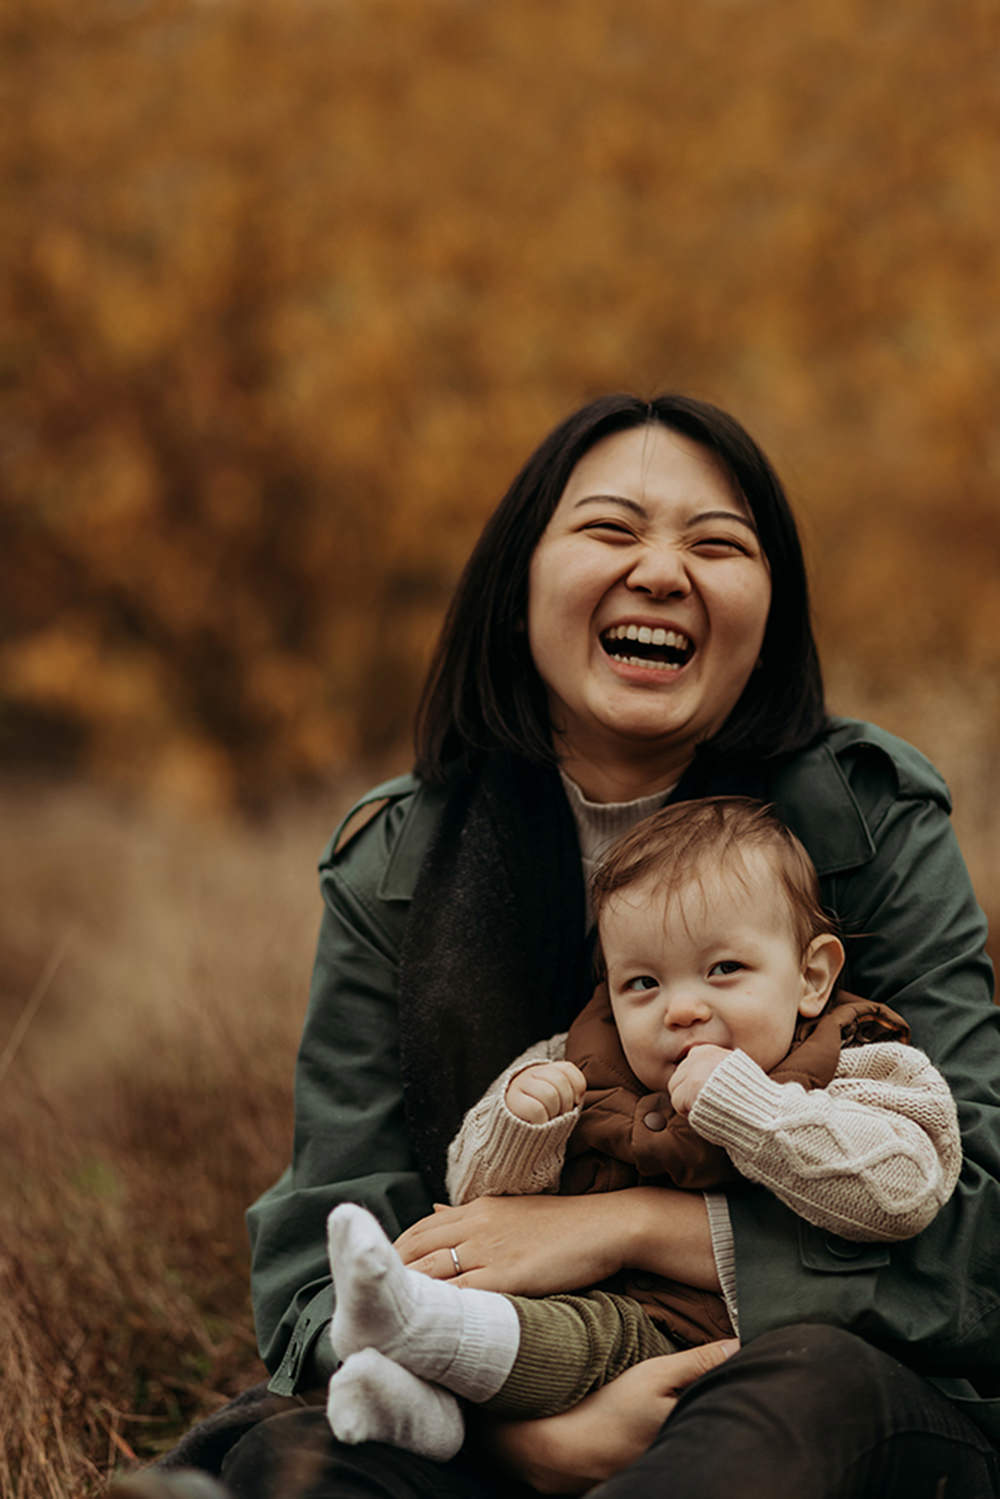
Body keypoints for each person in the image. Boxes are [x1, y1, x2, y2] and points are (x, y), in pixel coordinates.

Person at [130, 393, 1000, 1499]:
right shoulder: (397, 861)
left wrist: (625, 1224)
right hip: (502, 1391)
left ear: (769, 608)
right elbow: (323, 1255)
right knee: (294, 1447)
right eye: (609, 528)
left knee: (803, 1392)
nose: (660, 570)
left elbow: (983, 1230)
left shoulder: (865, 818)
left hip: (830, 1393)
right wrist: (523, 1439)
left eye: (717, 543)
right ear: (520, 582)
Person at [321, 796, 962, 1460]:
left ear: (812, 975)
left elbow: (906, 1188)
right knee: (532, 1317)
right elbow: (474, 1191)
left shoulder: (857, 1064)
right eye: (644, 982)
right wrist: (524, 1123)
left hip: (721, 1346)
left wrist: (750, 1107)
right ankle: (420, 1404)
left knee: (587, 1333)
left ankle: (423, 1347)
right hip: (565, 1319)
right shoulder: (576, 1061)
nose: (682, 1009)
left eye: (724, 970)